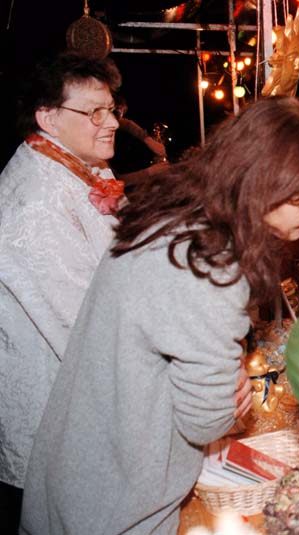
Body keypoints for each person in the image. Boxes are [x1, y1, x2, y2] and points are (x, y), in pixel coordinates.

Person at [20, 97, 299, 535]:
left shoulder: (180, 209)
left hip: (79, 459)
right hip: (115, 498)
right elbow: (205, 417)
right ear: (272, 181)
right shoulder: (210, 263)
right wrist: (231, 396)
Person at [0, 52, 123, 532]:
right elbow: (80, 325)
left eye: (112, 108)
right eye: (93, 112)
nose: (110, 121)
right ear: (46, 116)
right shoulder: (33, 202)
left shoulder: (79, 165)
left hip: (88, 400)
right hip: (58, 419)